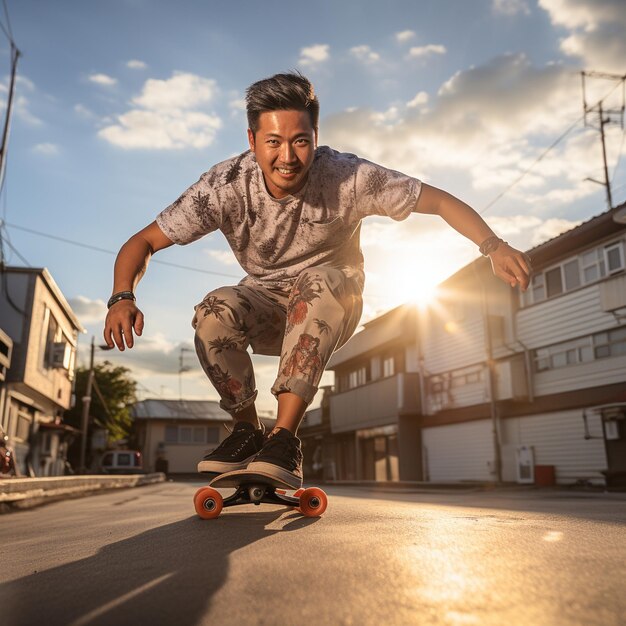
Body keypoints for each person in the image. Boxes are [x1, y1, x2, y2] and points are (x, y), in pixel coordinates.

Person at [103, 72, 531, 489]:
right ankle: (248, 429)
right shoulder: (225, 185)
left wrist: (492, 246)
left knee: (317, 282)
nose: (287, 157)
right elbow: (143, 241)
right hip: (267, 306)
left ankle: (284, 439)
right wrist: (122, 296)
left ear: (315, 135)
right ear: (251, 141)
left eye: (300, 141)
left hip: (333, 298)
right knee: (214, 311)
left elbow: (435, 200)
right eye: (273, 142)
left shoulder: (347, 176)